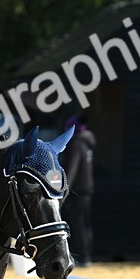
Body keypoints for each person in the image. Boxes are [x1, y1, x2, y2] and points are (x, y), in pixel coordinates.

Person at [62, 114, 97, 266]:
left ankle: (82, 257)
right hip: (87, 187)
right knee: (85, 223)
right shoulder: (87, 142)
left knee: (77, 224)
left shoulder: (76, 143)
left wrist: (65, 188)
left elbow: (72, 168)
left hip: (77, 189)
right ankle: (87, 255)